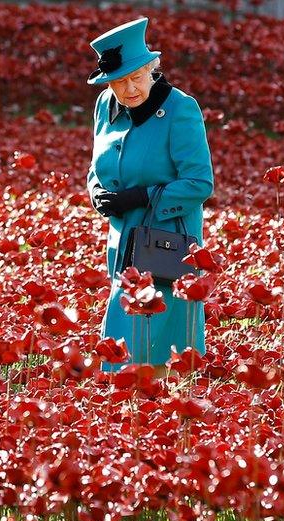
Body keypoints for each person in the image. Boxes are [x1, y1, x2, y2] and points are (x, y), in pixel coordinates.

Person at [84, 16, 214, 377]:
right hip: (123, 241)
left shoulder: (180, 109)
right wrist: (97, 192)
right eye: (118, 82)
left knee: (156, 348)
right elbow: (97, 166)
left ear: (151, 69)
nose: (128, 89)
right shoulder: (104, 107)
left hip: (166, 245)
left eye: (135, 77)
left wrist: (144, 196)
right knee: (122, 346)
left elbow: (200, 183)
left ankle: (155, 420)